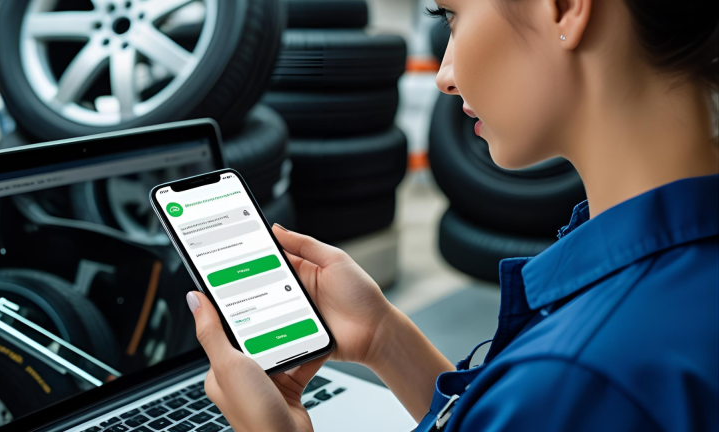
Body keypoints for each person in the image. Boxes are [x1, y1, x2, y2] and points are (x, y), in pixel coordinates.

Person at [183, 0, 719, 430]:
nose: (444, 76)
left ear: (565, 8)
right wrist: (383, 337)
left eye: (452, 16)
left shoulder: (580, 374)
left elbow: (548, 401)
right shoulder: (656, 277)